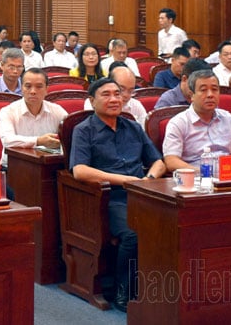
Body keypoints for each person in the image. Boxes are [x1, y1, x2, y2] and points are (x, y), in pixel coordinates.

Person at [70, 78, 165, 311]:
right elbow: (79, 170)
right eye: (106, 94)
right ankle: (124, 292)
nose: (114, 99)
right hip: (108, 199)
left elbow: (158, 162)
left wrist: (148, 180)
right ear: (92, 101)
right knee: (134, 235)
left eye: (118, 94)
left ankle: (159, 289)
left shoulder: (132, 126)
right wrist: (127, 181)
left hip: (142, 193)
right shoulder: (83, 130)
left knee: (172, 226)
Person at [162, 70, 231, 171]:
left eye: (214, 89)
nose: (210, 95)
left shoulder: (226, 118)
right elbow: (171, 161)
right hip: (196, 178)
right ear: (191, 95)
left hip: (228, 175)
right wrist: (204, 172)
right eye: (203, 90)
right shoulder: (179, 122)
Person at [0, 68, 67, 167]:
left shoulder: (57, 111)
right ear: (21, 88)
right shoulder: (7, 111)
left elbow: (70, 135)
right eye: (28, 86)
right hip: (15, 168)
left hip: (48, 167)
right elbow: (7, 141)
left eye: (39, 87)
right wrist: (38, 141)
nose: (33, 91)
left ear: (47, 89)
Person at [83, 65, 147, 127]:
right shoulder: (94, 102)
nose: (126, 95)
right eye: (121, 90)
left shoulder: (136, 105)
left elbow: (143, 132)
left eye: (131, 91)